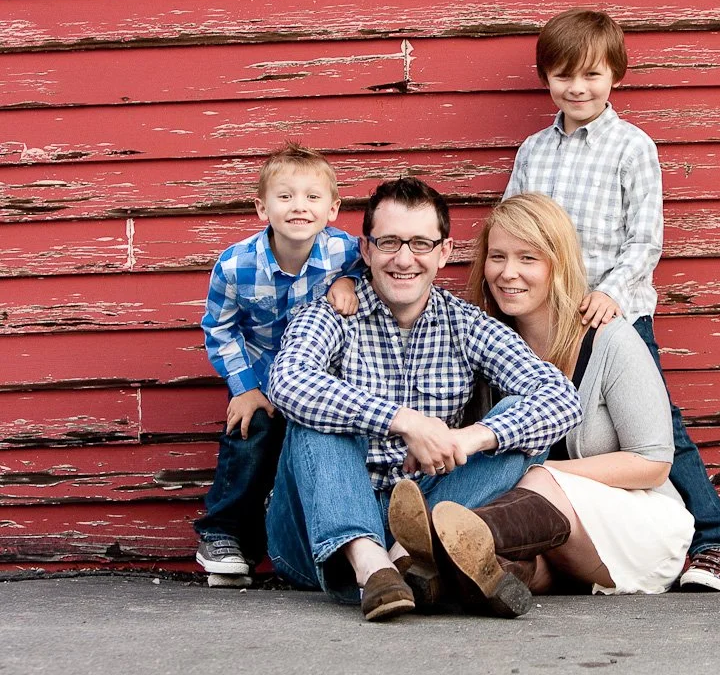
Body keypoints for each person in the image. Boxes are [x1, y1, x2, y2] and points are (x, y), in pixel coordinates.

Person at [263, 177, 582, 621]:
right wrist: (407, 422)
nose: (404, 259)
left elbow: (561, 398)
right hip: (316, 533)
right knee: (315, 413)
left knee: (517, 430)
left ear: (444, 252)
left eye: (420, 243)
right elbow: (288, 381)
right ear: (367, 250)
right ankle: (372, 564)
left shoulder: (466, 324)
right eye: (389, 242)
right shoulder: (331, 313)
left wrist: (469, 438)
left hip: (421, 505)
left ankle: (404, 563)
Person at [503, 8, 720, 590]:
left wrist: (609, 292)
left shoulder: (632, 148)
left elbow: (646, 238)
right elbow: (514, 221)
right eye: (562, 76)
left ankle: (713, 541)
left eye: (590, 75)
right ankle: (540, 528)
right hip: (549, 316)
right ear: (546, 78)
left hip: (616, 313)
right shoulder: (535, 150)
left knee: (660, 430)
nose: (577, 88)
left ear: (616, 76)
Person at [390, 193, 694, 599]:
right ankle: (449, 577)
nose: (508, 273)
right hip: (554, 549)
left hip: (635, 529)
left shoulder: (610, 341)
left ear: (558, 264)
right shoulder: (484, 345)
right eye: (497, 257)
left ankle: (435, 543)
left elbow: (653, 463)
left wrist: (540, 472)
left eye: (528, 259)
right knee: (512, 569)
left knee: (535, 475)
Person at [194, 142, 363, 577]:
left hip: (320, 379)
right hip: (262, 378)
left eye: (312, 197)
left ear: (332, 208)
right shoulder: (235, 265)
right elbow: (219, 327)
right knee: (251, 433)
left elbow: (374, 267)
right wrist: (244, 388)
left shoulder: (347, 253)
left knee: (315, 450)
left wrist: (348, 280)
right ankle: (223, 534)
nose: (299, 207)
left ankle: (312, 539)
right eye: (285, 197)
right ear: (261, 207)